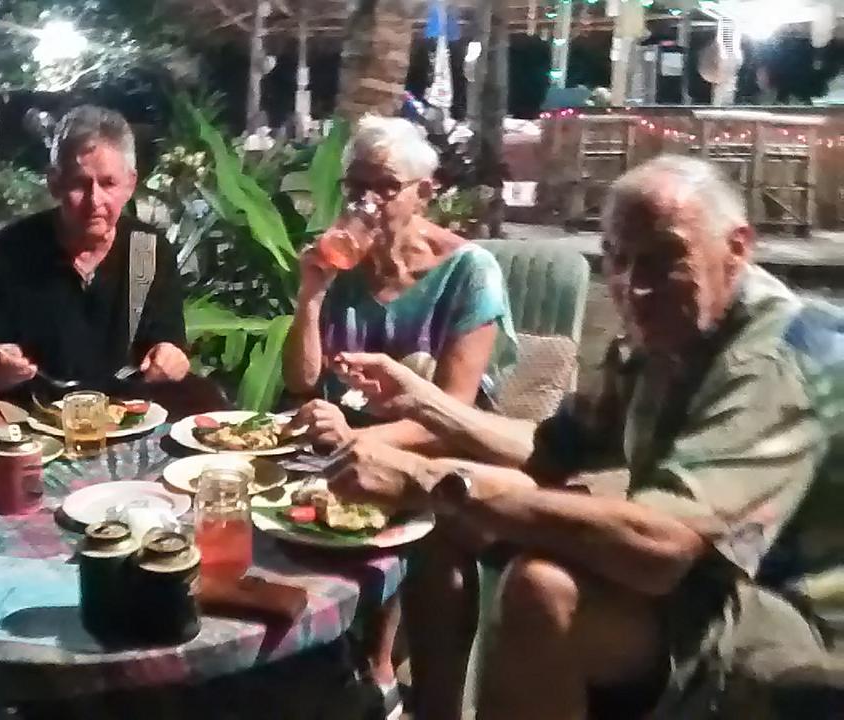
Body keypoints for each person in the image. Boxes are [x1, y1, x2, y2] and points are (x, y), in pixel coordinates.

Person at [329, 155, 844, 719]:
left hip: (805, 628)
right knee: (455, 511)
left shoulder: (776, 356)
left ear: (737, 247)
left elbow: (663, 549)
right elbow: (549, 450)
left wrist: (431, 478)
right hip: (704, 584)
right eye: (618, 260)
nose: (633, 287)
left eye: (664, 259)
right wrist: (421, 406)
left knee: (543, 590)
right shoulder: (662, 336)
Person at [282, 114, 517, 718]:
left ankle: (406, 687)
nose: (365, 200)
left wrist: (355, 442)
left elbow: (453, 409)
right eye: (355, 183)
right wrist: (310, 295)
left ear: (425, 192)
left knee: (426, 533)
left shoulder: (469, 272)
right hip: (342, 441)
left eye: (384, 185)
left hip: (442, 447)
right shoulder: (342, 264)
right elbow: (303, 380)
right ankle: (309, 670)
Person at [0, 105, 190, 413]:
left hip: (121, 422)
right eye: (79, 184)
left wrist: (170, 358)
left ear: (130, 184)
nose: (95, 200)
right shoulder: (10, 251)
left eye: (108, 183)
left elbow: (169, 348)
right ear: (54, 183)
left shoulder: (150, 251)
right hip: (27, 423)